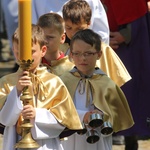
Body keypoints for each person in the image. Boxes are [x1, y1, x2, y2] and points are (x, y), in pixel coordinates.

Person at [0, 24, 82, 150]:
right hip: (14, 142)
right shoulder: (7, 82)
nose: (25, 57)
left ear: (43, 50)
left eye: (31, 52)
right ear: (13, 50)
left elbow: (63, 120)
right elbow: (4, 120)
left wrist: (37, 115)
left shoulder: (53, 82)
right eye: (18, 52)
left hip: (46, 145)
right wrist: (16, 92)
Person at [60, 29, 134, 150]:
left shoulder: (106, 84)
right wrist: (83, 116)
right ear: (71, 55)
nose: (82, 58)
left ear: (99, 54)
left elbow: (117, 116)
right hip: (70, 140)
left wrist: (103, 116)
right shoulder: (63, 81)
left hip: (98, 142)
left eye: (88, 53)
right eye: (77, 53)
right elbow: (58, 111)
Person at [101, 0, 150, 149]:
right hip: (103, 28)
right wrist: (102, 36)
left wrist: (128, 33)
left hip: (132, 35)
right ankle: (115, 131)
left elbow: (134, 7)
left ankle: (132, 135)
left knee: (132, 86)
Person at [62, 0, 131, 87]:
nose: (74, 34)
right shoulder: (62, 50)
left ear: (89, 24)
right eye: (69, 28)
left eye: (79, 29)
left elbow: (115, 83)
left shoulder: (103, 49)